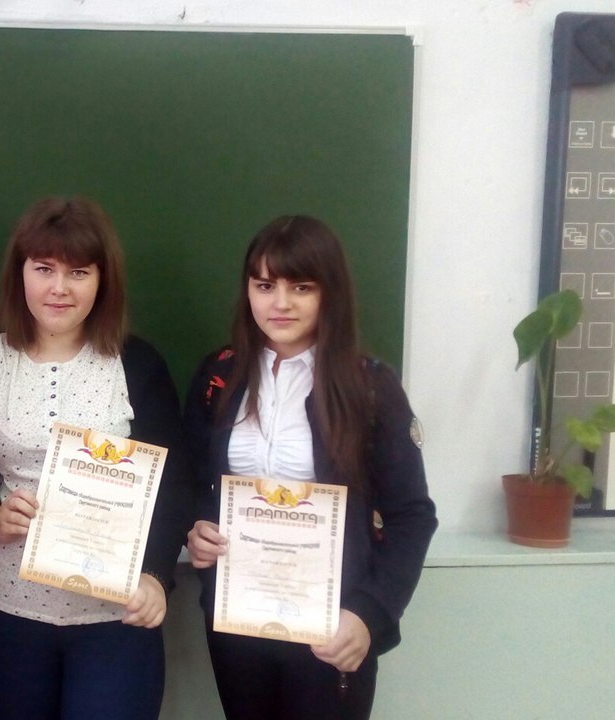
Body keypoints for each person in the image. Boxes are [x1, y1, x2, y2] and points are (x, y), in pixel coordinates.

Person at [184, 215, 437, 720]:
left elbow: (412, 515)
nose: (280, 303)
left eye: (301, 287)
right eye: (264, 286)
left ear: (329, 292)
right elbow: (191, 481)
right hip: (239, 615)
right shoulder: (220, 375)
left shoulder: (369, 387)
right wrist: (197, 530)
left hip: (331, 625)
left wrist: (369, 614)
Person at [0, 196, 191, 720]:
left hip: (114, 615)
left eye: (79, 272)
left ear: (103, 281)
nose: (59, 287)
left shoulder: (138, 365)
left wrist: (156, 574)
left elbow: (173, 484)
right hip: (4, 609)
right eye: (44, 269)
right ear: (20, 274)